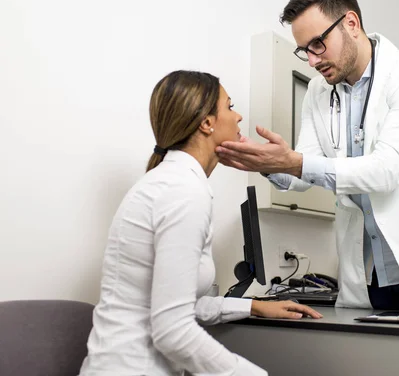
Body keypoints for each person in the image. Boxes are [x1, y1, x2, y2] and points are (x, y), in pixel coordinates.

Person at [216, 0, 399, 316]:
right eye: (304, 50)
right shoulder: (318, 93)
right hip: (365, 272)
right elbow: (304, 175)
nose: (312, 61)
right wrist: (268, 163)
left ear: (351, 23)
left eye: (318, 44)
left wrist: (295, 162)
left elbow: (386, 171)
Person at [78, 70, 322, 376]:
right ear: (207, 123)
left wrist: (252, 306)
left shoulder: (170, 182)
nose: (239, 116)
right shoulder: (183, 192)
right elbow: (173, 330)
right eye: (230, 107)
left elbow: (170, 306)